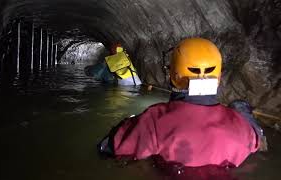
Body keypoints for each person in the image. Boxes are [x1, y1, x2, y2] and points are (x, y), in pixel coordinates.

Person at [98, 38, 266, 168]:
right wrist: (240, 111)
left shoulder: (154, 120)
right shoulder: (244, 126)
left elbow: (107, 147)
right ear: (219, 78)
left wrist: (131, 123)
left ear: (174, 76)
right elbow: (259, 139)